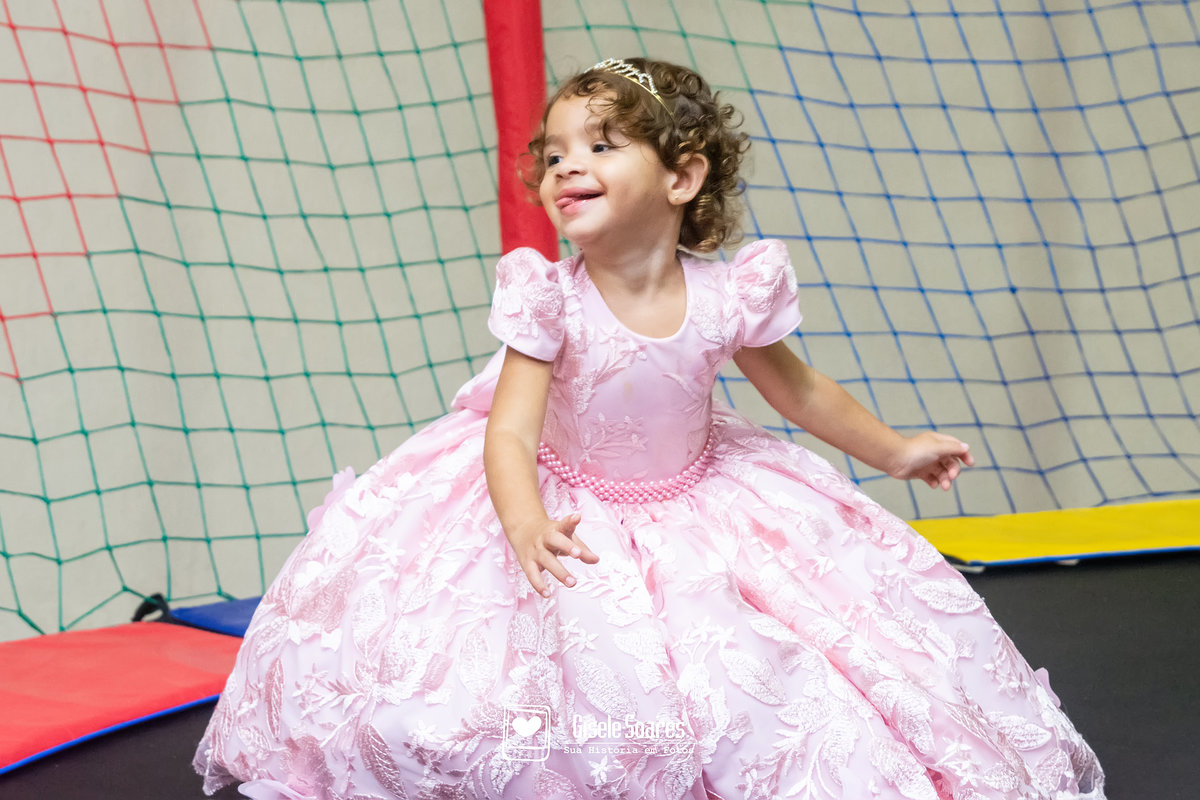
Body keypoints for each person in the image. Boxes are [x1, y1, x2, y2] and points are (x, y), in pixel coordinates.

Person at [194, 57, 1105, 800]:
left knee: (773, 678)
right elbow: (508, 435)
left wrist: (896, 451)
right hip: (569, 507)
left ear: (682, 177)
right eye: (554, 153)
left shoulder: (727, 294)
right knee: (519, 689)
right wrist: (524, 523)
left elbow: (800, 392)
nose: (567, 167)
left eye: (600, 145)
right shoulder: (549, 299)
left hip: (703, 500)